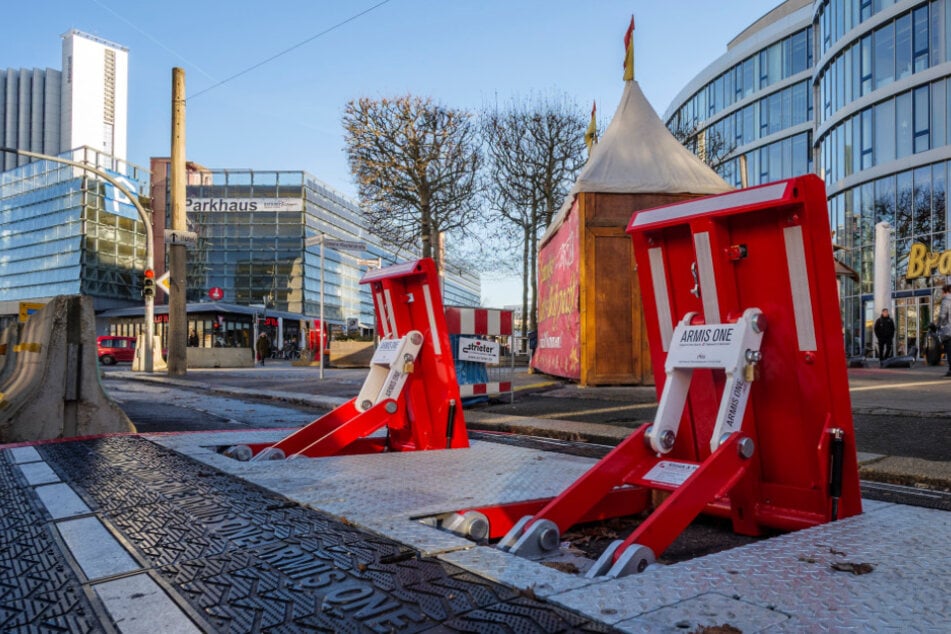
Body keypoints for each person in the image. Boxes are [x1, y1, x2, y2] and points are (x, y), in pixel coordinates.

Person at [938, 284, 951, 377]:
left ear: (946, 292)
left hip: (948, 331)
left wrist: (938, 325)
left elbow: (942, 316)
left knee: (950, 351)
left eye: (942, 292)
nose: (942, 294)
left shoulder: (946, 301)